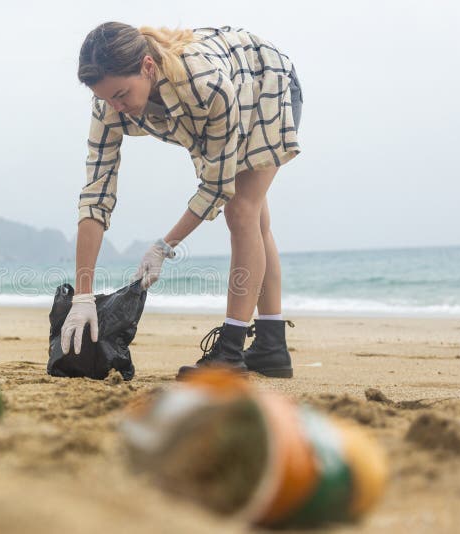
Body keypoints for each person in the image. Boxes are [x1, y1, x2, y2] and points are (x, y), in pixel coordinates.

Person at [61, 23, 303, 379]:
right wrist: (83, 295)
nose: (116, 107)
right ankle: (271, 347)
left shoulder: (204, 86)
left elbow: (218, 187)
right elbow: (96, 193)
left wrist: (163, 246)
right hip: (234, 88)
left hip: (265, 81)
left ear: (147, 67)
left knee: (242, 210)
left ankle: (232, 353)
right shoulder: (109, 108)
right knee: (255, 219)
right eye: (106, 98)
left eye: (122, 94)